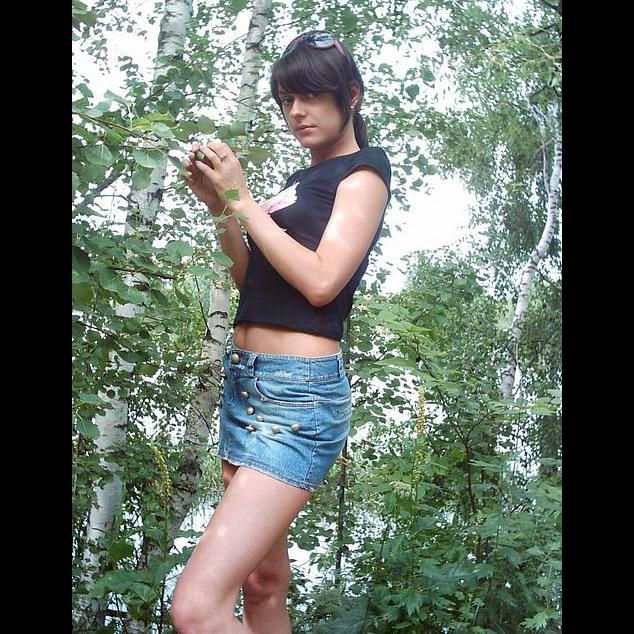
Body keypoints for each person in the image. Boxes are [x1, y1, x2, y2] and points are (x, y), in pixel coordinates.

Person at [170, 30, 392, 634]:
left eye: (311, 96)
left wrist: (243, 200)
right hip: (248, 387)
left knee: (196, 609)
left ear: (351, 95)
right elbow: (255, 282)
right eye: (287, 99)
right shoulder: (299, 182)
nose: (297, 111)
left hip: (298, 399)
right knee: (262, 586)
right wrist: (220, 207)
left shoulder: (364, 173)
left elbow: (320, 282)